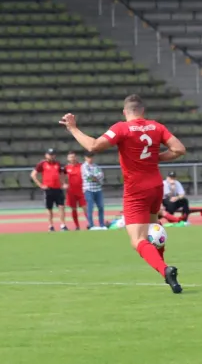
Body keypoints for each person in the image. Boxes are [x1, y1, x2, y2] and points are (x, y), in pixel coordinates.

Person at [59, 94, 186, 294]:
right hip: (155, 186)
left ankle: (164, 269)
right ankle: (164, 271)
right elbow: (179, 149)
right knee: (154, 225)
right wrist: (154, 158)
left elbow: (93, 145)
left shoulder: (122, 128)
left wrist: (73, 128)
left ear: (125, 112)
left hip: (136, 189)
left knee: (138, 240)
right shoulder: (156, 126)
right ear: (143, 111)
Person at [31, 148, 68, 232]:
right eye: (50, 154)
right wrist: (40, 185)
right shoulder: (42, 164)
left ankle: (63, 225)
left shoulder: (58, 164)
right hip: (48, 189)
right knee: (49, 208)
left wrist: (64, 183)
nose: (51, 156)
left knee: (61, 207)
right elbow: (33, 174)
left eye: (53, 154)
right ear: (46, 155)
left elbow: (62, 174)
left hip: (58, 188)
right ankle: (51, 225)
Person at [81, 152, 106, 230]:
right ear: (85, 157)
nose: (90, 159)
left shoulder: (96, 166)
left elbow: (101, 175)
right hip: (89, 189)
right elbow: (89, 177)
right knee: (90, 208)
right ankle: (91, 225)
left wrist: (95, 178)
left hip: (98, 189)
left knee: (101, 207)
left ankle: (102, 224)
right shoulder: (84, 166)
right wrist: (96, 178)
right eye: (88, 157)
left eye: (91, 157)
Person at [64, 151, 87, 230]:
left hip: (82, 191)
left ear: (76, 157)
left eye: (73, 157)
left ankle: (90, 223)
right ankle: (77, 226)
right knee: (73, 209)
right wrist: (64, 184)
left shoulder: (82, 166)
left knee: (85, 208)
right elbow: (62, 177)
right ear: (68, 159)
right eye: (70, 157)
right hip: (71, 192)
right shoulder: (66, 168)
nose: (72, 159)